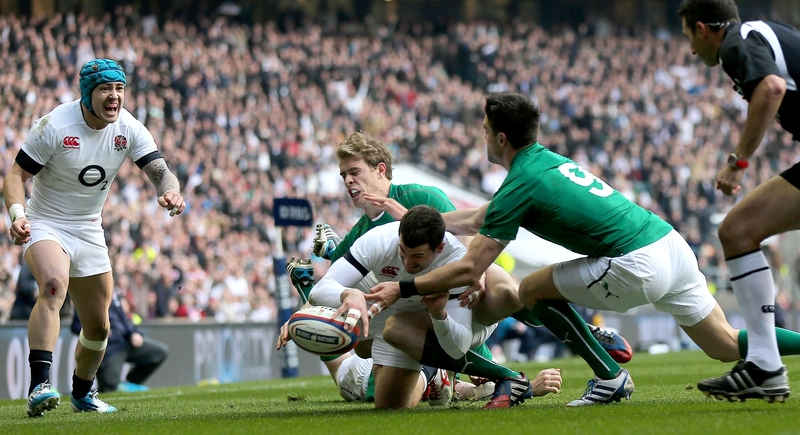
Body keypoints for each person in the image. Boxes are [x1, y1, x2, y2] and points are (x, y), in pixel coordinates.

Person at [369, 92, 800, 407]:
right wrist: (425, 220)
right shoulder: (543, 162)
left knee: (532, 289)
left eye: (484, 132)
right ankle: (598, 345)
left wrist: (402, 290)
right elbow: (482, 217)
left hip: (635, 260)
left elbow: (469, 270)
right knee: (725, 344)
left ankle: (610, 377)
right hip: (670, 244)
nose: (482, 139)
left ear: (500, 138)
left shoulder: (522, 180)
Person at [284, 132, 628, 405]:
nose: (347, 181)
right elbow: (332, 284)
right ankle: (467, 378)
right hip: (413, 305)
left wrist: (474, 271)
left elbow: (471, 235)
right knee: (366, 355)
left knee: (507, 290)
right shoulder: (362, 236)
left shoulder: (421, 195)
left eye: (354, 172)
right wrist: (299, 316)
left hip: (462, 276)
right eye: (343, 175)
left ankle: (584, 332)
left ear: (380, 170)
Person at [4, 58, 186, 417]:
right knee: (54, 285)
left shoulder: (129, 127)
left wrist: (172, 193)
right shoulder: (55, 125)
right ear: (88, 94)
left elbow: (162, 173)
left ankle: (83, 392)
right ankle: (39, 385)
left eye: (119, 89)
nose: (114, 96)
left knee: (99, 327)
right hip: (45, 222)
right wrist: (17, 215)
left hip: (88, 227)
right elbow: (14, 176)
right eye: (106, 89)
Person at [290, 205, 561, 409]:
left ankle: (566, 338)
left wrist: (439, 313)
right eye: (403, 251)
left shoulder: (455, 260)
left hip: (461, 321)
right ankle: (435, 373)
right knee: (389, 406)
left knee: (507, 295)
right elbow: (323, 290)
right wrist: (350, 294)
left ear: (438, 247)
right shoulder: (378, 240)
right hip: (402, 319)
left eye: (418, 256)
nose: (407, 263)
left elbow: (457, 346)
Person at [677, 0, 800, 403]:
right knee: (738, 231)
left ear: (701, 28)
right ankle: (765, 364)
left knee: (738, 229)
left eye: (690, 40)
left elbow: (771, 87)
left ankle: (765, 364)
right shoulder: (763, 33)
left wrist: (738, 161)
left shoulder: (737, 42)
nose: (693, 52)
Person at [71, 290, 169, 393]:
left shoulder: (113, 295)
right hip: (108, 349)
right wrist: (96, 330)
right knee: (109, 386)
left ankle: (130, 382)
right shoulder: (86, 299)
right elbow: (75, 326)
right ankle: (111, 385)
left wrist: (134, 332)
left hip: (126, 342)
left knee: (159, 352)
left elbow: (124, 318)